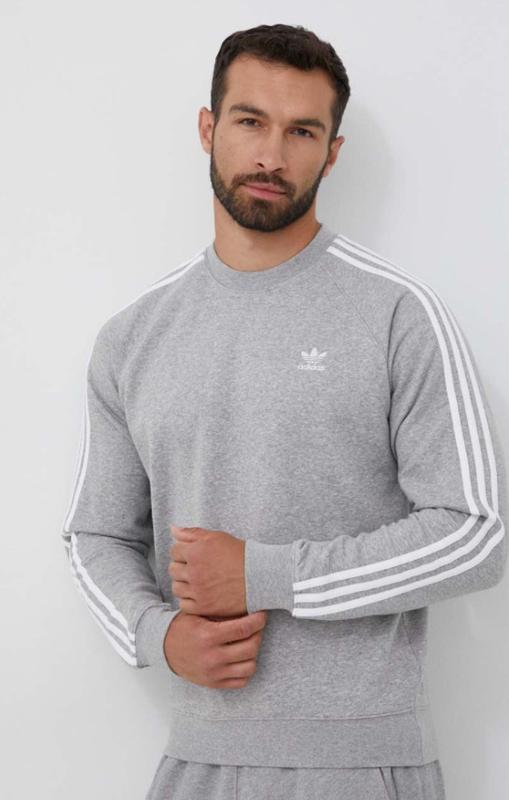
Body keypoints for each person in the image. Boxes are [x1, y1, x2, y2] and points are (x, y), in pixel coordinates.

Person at [61, 22, 507, 800]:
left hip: (360, 767)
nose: (271, 155)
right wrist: (156, 634)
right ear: (208, 128)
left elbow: (474, 534)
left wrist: (263, 574)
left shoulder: (397, 314)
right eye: (249, 121)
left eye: (301, 131)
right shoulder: (132, 336)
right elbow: (97, 533)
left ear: (331, 153)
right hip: (197, 763)